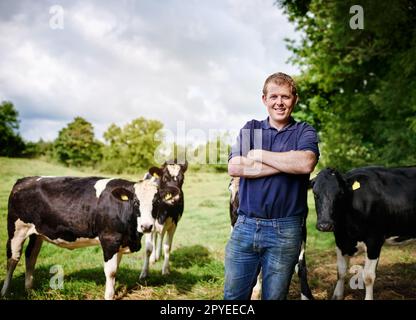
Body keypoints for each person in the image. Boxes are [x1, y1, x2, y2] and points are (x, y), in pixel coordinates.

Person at [224, 72, 319, 300]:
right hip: (245, 225)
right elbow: (235, 167)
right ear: (264, 99)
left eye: (285, 97)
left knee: (274, 298)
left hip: (285, 230)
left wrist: (259, 155)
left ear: (294, 99)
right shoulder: (251, 128)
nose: (279, 102)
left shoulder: (304, 131)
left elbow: (306, 163)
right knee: (233, 298)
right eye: (273, 96)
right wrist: (287, 163)